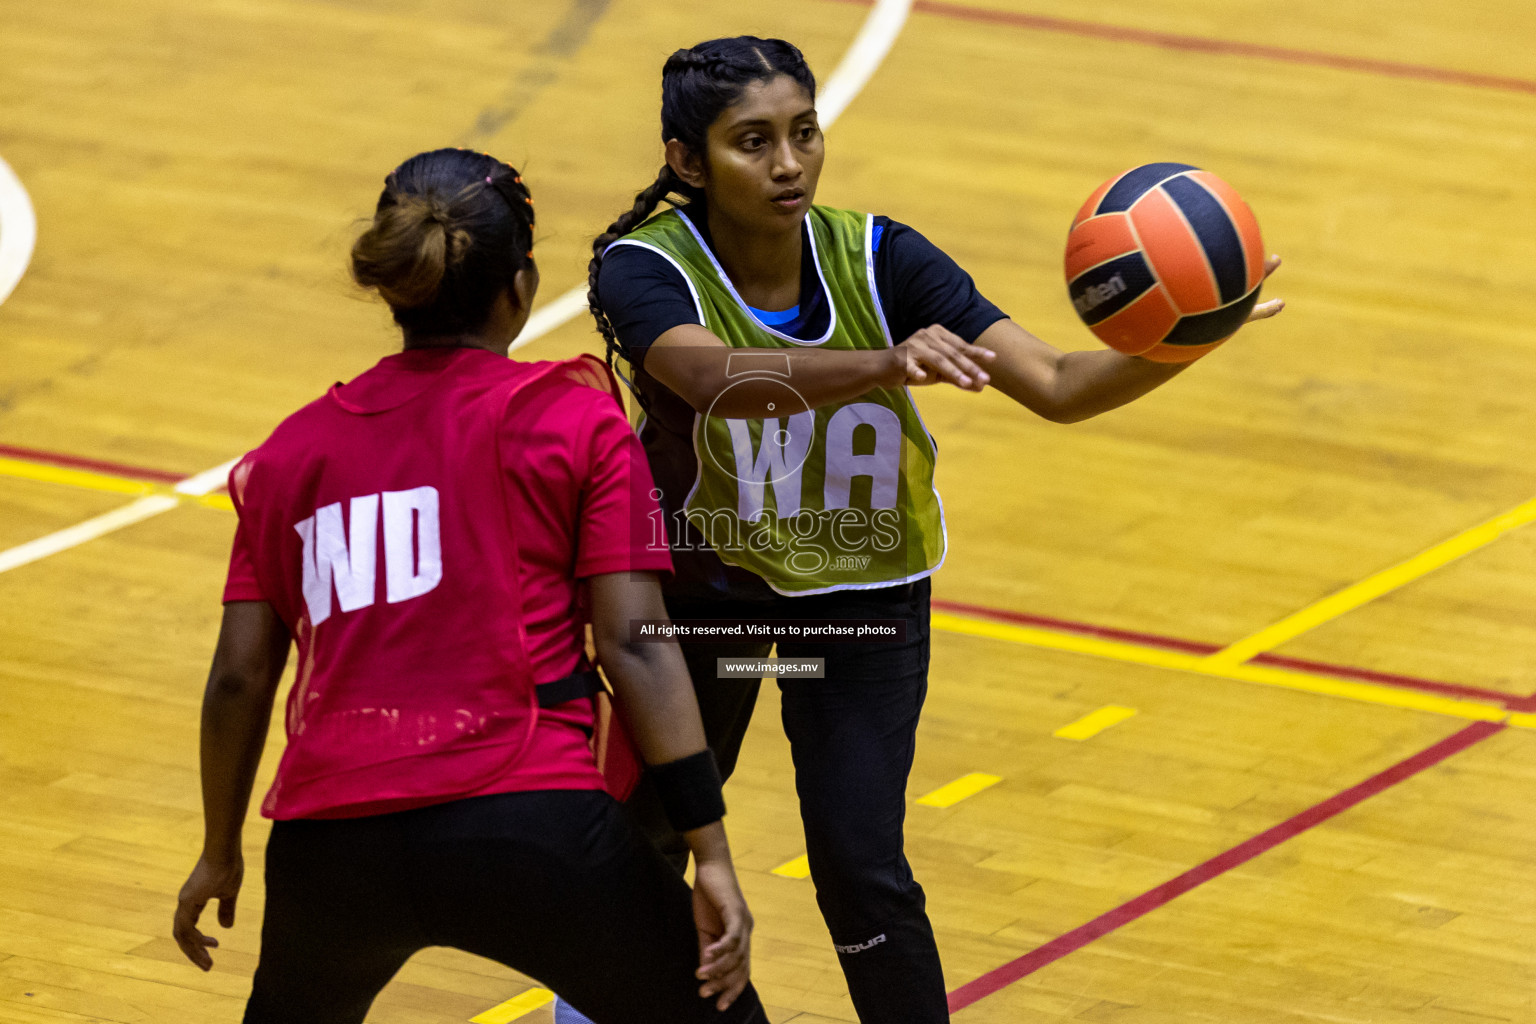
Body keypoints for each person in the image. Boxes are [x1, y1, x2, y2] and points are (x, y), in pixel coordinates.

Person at [582, 37, 1284, 1024]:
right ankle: (601, 1004)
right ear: (688, 161)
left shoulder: (883, 257)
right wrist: (883, 364)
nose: (788, 164)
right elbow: (712, 380)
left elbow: (1054, 384)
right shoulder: (642, 267)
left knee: (861, 864)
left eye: (803, 133)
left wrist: (1188, 335)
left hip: (861, 604)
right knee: (646, 832)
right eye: (753, 142)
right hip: (709, 600)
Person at [171, 147, 771, 1024]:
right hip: (528, 821)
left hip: (332, 839)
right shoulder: (572, 416)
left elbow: (237, 676)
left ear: (393, 285)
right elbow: (635, 645)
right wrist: (706, 849)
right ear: (520, 288)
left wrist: (220, 850)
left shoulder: (287, 454)